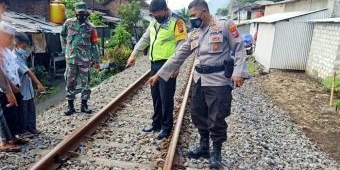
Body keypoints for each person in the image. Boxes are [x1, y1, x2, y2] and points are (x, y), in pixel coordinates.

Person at [146, 0, 251, 168]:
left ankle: (216, 153)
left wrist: (238, 72)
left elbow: (239, 48)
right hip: (199, 79)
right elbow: (179, 55)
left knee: (217, 117)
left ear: (204, 11)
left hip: (218, 81)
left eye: (194, 15)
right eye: (190, 16)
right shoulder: (195, 33)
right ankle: (204, 146)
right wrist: (159, 74)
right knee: (197, 114)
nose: (192, 19)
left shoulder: (225, 25)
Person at [126, 0, 187, 140]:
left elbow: (181, 45)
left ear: (165, 9)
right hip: (154, 64)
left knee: (166, 97)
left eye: (157, 14)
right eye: (153, 15)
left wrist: (175, 66)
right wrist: (134, 53)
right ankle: (156, 123)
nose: (155, 17)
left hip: (168, 64)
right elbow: (146, 38)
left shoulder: (177, 22)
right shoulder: (153, 21)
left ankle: (166, 127)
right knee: (156, 95)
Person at [61, 2, 100, 116]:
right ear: (75, 13)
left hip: (85, 60)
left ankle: (84, 105)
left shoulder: (91, 27)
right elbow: (62, 36)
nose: (82, 15)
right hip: (71, 60)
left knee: (86, 83)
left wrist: (96, 60)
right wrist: (65, 50)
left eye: (84, 13)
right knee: (70, 82)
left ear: (87, 13)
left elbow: (94, 44)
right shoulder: (68, 23)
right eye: (79, 13)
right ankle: (70, 106)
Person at [0, 21, 29, 146]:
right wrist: (10, 89)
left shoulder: (6, 50)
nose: (11, 39)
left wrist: (17, 85)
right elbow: (1, 73)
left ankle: (14, 137)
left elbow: (12, 69)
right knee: (6, 115)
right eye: (9, 36)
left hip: (13, 88)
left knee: (14, 114)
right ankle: (6, 141)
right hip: (4, 90)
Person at [14, 32, 46, 136]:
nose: (25, 49)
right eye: (23, 47)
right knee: (23, 111)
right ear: (16, 45)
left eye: (26, 47)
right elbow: (27, 71)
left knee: (31, 109)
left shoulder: (21, 56)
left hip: (28, 89)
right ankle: (23, 131)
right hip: (21, 89)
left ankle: (32, 128)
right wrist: (39, 84)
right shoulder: (15, 57)